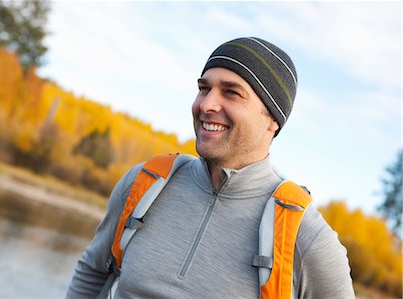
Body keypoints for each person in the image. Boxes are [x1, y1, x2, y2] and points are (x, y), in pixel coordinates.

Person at [66, 37, 355, 298]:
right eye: (204, 88)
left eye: (231, 93)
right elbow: (92, 272)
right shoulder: (145, 184)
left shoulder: (309, 238)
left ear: (272, 119)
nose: (206, 104)